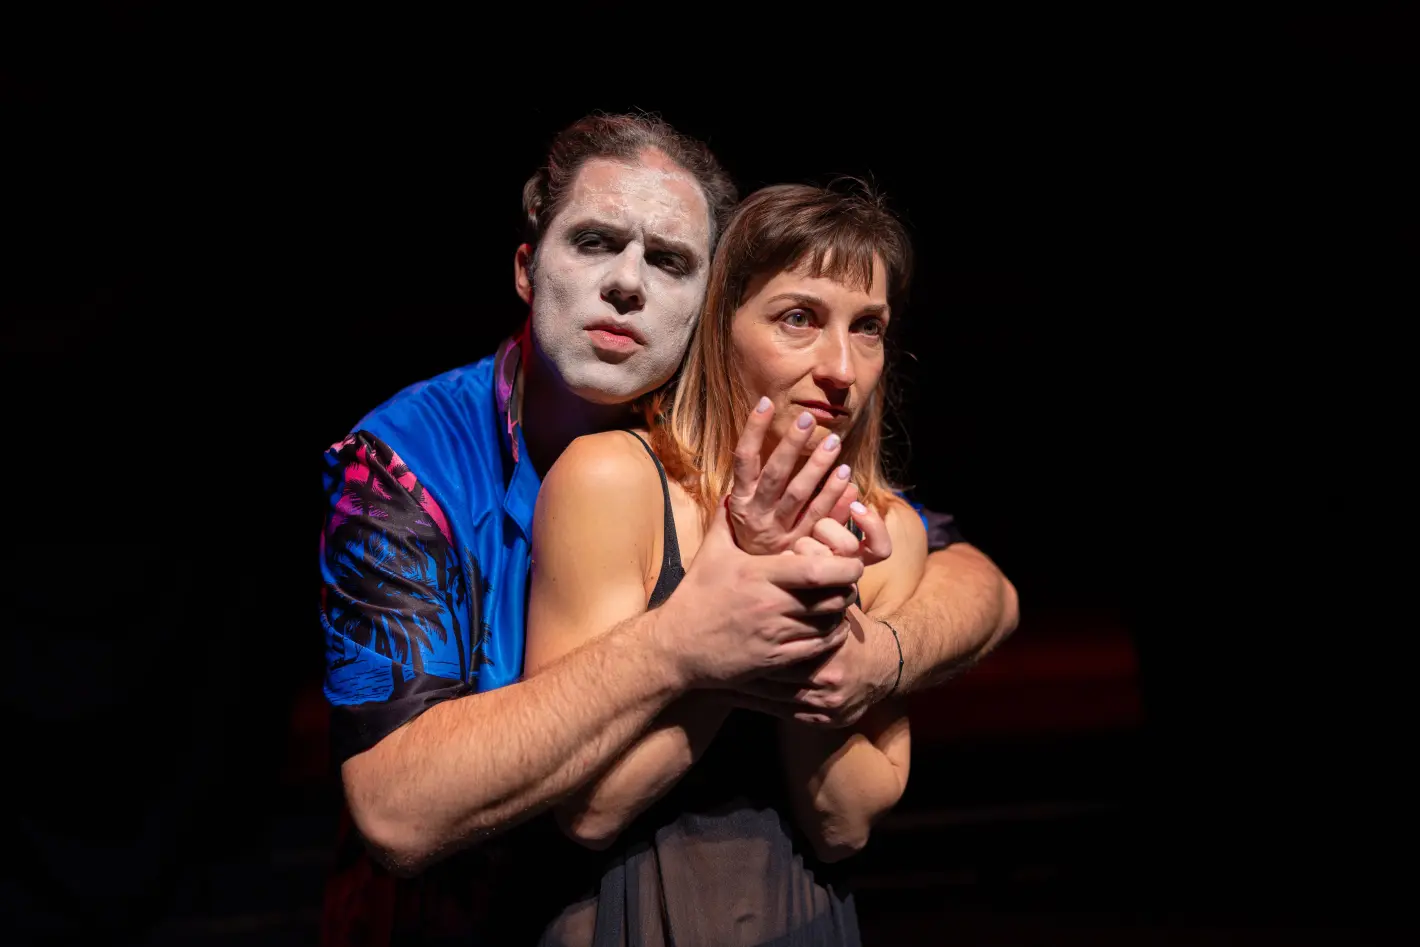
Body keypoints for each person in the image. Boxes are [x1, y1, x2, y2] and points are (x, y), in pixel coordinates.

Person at [319, 113, 1018, 946]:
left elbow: (973, 578)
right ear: (526, 268)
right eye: (594, 242)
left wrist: (880, 656)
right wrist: (687, 642)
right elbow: (397, 812)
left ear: (707, 301)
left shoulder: (732, 454)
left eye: (670, 261)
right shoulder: (404, 464)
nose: (627, 284)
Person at [524, 180, 923, 946]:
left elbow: (844, 822)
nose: (842, 368)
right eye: (799, 318)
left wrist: (814, 612)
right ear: (721, 326)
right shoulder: (612, 482)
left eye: (867, 327)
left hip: (799, 915)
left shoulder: (891, 532)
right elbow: (588, 807)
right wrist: (746, 613)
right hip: (627, 910)